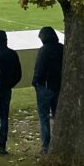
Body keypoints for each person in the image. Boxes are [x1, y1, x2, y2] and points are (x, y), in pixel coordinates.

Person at [32, 26, 63, 155]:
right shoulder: (62, 48)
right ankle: (58, 141)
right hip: (58, 86)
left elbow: (39, 69)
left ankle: (46, 145)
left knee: (44, 117)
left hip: (45, 86)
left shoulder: (44, 50)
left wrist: (35, 82)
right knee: (57, 115)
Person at [0, 30, 22, 155]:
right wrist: (9, 84)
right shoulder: (12, 54)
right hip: (6, 89)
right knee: (4, 118)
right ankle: (2, 145)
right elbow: (18, 74)